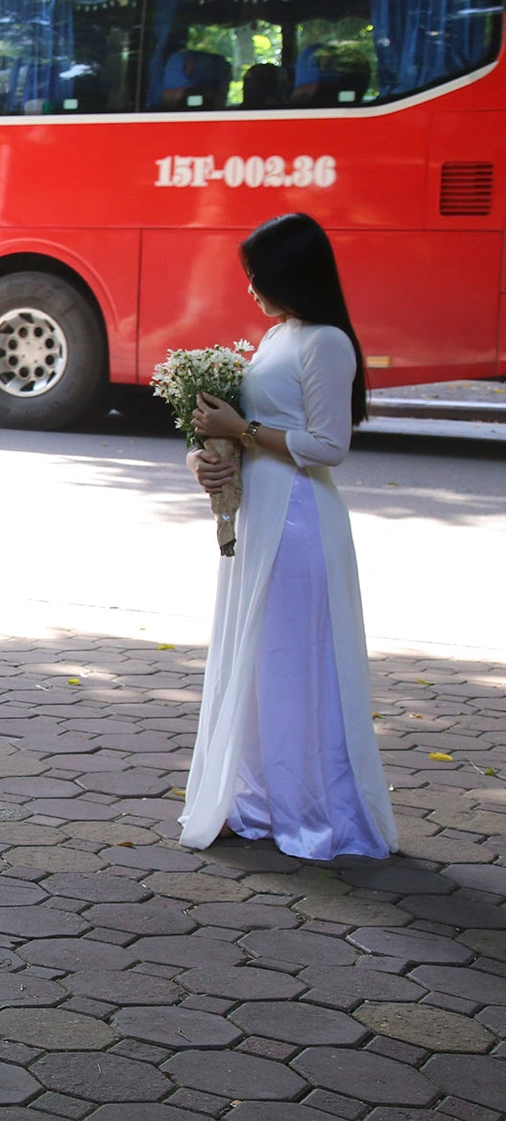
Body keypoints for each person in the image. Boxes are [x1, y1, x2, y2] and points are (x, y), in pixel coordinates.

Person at [178, 213, 397, 860]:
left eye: (258, 275)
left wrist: (243, 433)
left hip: (299, 520)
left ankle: (314, 811)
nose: (250, 287)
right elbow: (241, 428)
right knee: (258, 665)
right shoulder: (279, 335)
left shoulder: (326, 341)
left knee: (296, 667)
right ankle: (261, 799)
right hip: (258, 514)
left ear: (291, 275)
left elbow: (328, 448)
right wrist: (208, 458)